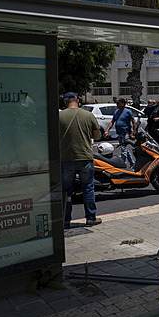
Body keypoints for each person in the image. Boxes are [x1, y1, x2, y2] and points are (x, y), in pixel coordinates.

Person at [59, 92, 102, 228]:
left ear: (65, 102)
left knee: (66, 191)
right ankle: (90, 218)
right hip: (85, 157)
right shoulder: (88, 115)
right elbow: (97, 135)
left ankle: (65, 221)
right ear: (77, 101)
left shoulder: (59, 116)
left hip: (66, 158)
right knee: (88, 188)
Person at [104, 98, 136, 168]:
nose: (117, 104)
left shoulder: (128, 112)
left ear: (123, 104)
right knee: (125, 149)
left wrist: (133, 132)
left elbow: (134, 122)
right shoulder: (116, 112)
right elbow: (112, 121)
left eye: (118, 103)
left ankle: (122, 166)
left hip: (126, 133)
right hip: (119, 133)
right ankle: (132, 163)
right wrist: (107, 131)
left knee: (123, 150)